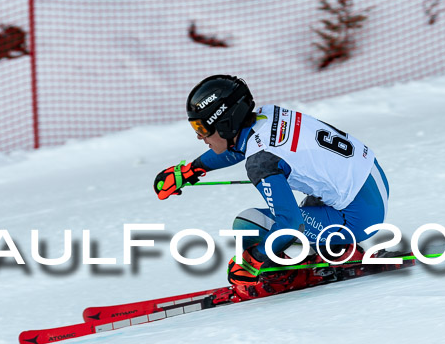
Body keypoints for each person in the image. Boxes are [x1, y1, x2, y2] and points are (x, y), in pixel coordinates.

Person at [154, 75, 389, 296]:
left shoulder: (261, 162)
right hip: (370, 184)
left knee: (248, 224)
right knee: (302, 203)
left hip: (358, 217)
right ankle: (336, 251)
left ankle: (277, 278)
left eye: (202, 128)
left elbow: (292, 224)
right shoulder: (267, 116)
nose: (200, 137)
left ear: (225, 123)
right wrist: (191, 170)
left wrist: (252, 259)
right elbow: (240, 148)